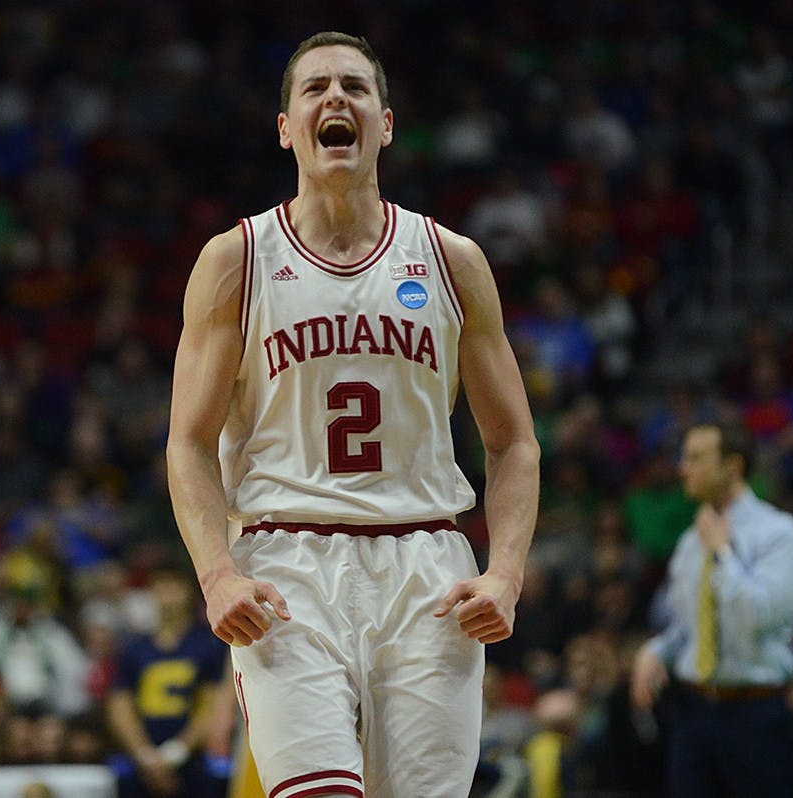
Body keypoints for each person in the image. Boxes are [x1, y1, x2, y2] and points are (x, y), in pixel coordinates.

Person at [166, 31, 541, 798]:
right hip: (286, 568)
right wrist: (216, 575)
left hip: (427, 568)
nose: (335, 99)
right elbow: (188, 443)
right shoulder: (237, 259)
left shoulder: (451, 260)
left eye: (354, 88)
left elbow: (514, 443)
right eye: (314, 89)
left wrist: (504, 572)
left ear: (387, 121)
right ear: (285, 128)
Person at [630, 420, 793, 798]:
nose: (683, 467)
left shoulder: (781, 534)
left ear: (733, 467)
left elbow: (757, 618)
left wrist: (723, 553)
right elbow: (687, 629)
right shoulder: (689, 542)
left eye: (696, 458)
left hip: (756, 711)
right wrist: (653, 652)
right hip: (693, 710)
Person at [106, 561, 228, 798]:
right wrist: (143, 754)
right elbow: (120, 704)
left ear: (188, 591)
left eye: (174, 586)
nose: (167, 594)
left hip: (194, 761)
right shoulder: (134, 648)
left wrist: (177, 751)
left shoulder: (208, 645)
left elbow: (213, 703)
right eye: (160, 586)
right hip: (143, 760)